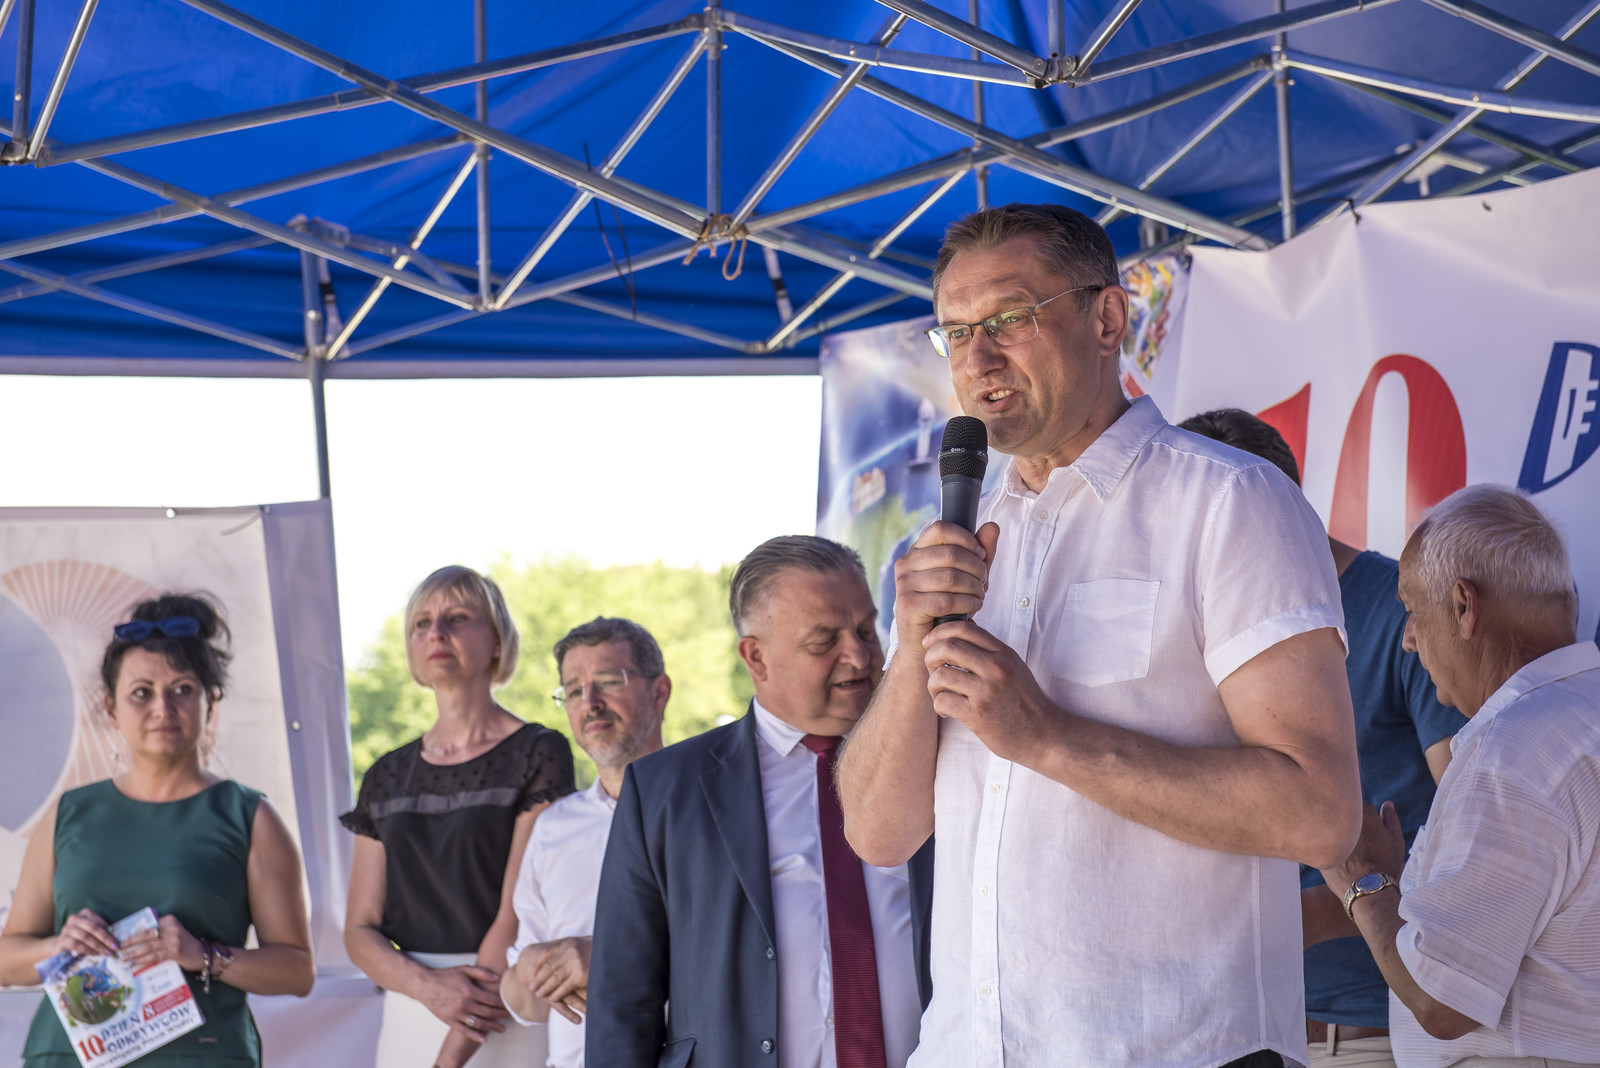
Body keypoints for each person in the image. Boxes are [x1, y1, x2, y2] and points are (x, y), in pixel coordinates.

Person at [837, 203, 1363, 1068]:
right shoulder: (958, 540)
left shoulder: (1227, 501)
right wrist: (911, 645)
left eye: (1009, 318)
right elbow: (877, 834)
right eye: (956, 332)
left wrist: (1046, 736)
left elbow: (1320, 815)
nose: (978, 358)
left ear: (1108, 319)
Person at [1180, 408, 1466, 1067]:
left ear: (1267, 510)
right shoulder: (1197, 625)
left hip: (1373, 1033)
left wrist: (1295, 918)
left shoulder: (1402, 610)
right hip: (1228, 1030)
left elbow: (1477, 841)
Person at [587, 536, 935, 1068]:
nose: (859, 655)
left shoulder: (942, 756)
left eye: (867, 630)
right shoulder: (664, 790)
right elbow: (621, 1002)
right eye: (823, 641)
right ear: (756, 657)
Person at [1321, 485, 1600, 1068]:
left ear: (1464, 606)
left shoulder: (1514, 751)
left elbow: (1442, 1001)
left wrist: (1366, 881)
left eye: (1412, 609)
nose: (1408, 638)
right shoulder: (1572, 719)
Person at [0, 593, 315, 1067]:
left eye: (182, 689)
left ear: (211, 703)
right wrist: (58, 946)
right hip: (66, 1057)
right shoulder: (69, 813)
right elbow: (6, 960)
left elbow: (296, 971)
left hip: (201, 1058)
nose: (162, 707)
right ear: (112, 709)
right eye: (141, 692)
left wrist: (203, 955)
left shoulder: (249, 815)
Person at [341, 566, 574, 1068]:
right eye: (421, 623)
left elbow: (515, 915)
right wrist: (425, 987)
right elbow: (359, 930)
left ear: (497, 640)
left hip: (503, 1005)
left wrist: (448, 1059)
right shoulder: (385, 775)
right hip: (410, 1010)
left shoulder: (539, 752)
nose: (437, 633)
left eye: (457, 618)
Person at [499, 617, 672, 1067]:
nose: (590, 703)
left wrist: (612, 958)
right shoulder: (553, 828)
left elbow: (745, 961)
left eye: (609, 682)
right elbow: (526, 1005)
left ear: (660, 692)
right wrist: (528, 971)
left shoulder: (706, 809)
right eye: (574, 690)